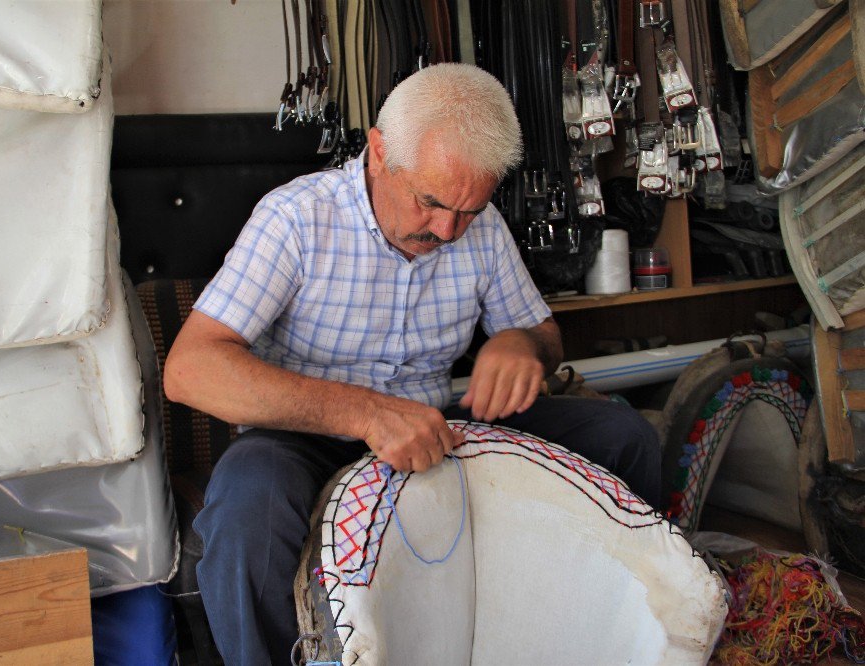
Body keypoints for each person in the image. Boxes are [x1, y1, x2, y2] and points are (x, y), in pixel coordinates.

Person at [164, 62, 660, 665]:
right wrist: (366, 414)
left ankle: (625, 635)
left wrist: (523, 345)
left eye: (469, 209)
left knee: (623, 438)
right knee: (248, 518)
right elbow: (191, 369)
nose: (448, 229)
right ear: (378, 152)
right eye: (431, 202)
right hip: (305, 439)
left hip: (438, 428)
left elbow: (541, 333)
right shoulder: (296, 219)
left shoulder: (480, 229)